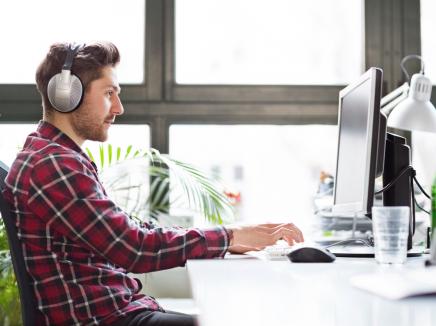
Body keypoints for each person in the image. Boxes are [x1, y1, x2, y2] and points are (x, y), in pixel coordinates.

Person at [3, 42, 304, 326]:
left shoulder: (58, 156)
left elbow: (134, 231)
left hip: (117, 311)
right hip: (107, 319)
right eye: (109, 93)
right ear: (67, 94)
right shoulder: (53, 165)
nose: (118, 107)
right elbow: (134, 248)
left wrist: (232, 236)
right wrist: (228, 236)